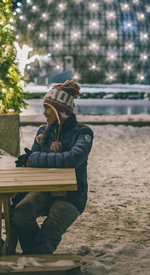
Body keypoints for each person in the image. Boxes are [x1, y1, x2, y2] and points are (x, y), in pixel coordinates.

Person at [13, 80, 93, 254]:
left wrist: (33, 158)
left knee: (49, 233)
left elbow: (71, 159)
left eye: (48, 108)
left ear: (61, 111)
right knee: (20, 213)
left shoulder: (83, 133)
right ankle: (35, 258)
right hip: (44, 191)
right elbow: (31, 166)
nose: (44, 113)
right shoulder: (43, 132)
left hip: (71, 196)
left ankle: (34, 262)